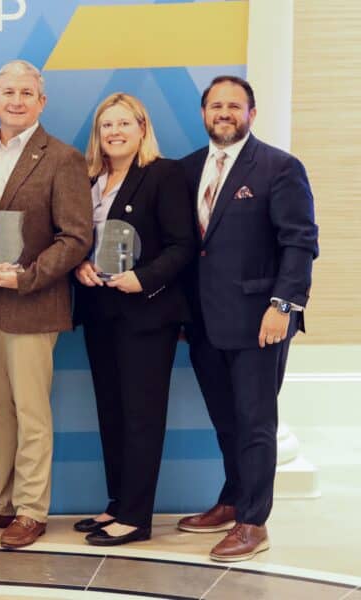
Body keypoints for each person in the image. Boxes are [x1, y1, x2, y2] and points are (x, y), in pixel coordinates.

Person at [178, 76, 318, 562]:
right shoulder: (189, 169)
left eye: (234, 106)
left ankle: (253, 522)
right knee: (224, 420)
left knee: (256, 423)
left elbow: (299, 243)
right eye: (215, 105)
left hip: (261, 320)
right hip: (202, 322)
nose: (224, 112)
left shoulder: (279, 167)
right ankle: (233, 498)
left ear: (251, 114)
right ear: (203, 114)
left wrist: (284, 307)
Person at [0, 60, 92, 548]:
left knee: (31, 410)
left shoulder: (62, 158)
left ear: (42, 101)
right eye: (7, 91)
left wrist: (29, 277)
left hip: (33, 303)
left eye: (26, 92)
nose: (16, 100)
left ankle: (32, 509)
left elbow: (76, 236)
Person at [71, 93, 196, 546]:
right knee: (111, 411)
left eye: (124, 123)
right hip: (100, 310)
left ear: (142, 128)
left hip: (147, 312)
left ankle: (137, 516)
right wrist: (79, 265)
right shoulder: (90, 179)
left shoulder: (163, 174)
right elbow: (79, 239)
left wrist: (142, 279)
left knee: (142, 414)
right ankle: (117, 503)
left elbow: (183, 246)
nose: (115, 132)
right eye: (107, 125)